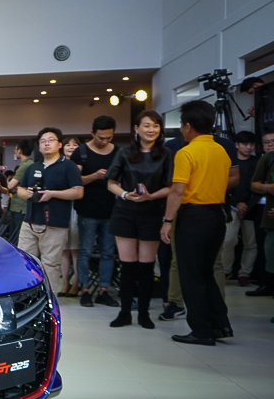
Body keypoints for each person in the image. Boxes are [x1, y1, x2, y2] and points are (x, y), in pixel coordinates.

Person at [160, 100, 231, 346]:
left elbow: (178, 191)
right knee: (206, 272)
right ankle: (220, 324)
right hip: (217, 215)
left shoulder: (187, 152)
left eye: (181, 125)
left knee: (191, 276)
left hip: (194, 217)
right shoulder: (221, 150)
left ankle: (201, 330)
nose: (181, 130)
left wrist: (167, 220)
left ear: (188, 126)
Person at [106, 110, 173, 329]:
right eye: (146, 125)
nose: (151, 130)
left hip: (152, 213)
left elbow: (171, 187)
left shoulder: (166, 154)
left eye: (155, 125)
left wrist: (151, 196)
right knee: (127, 266)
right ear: (136, 128)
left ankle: (144, 313)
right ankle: (125, 312)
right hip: (124, 212)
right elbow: (111, 183)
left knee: (146, 267)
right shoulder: (124, 152)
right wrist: (126, 195)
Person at [17, 127, 84, 291]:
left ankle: (49, 299)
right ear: (39, 146)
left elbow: (78, 192)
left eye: (51, 140)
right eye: (43, 141)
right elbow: (20, 190)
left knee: (51, 264)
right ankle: (26, 296)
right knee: (24, 262)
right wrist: (27, 194)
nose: (46, 144)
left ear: (59, 144)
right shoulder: (33, 167)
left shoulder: (68, 166)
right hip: (30, 222)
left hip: (55, 223)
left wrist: (52, 194)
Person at [70, 115, 119, 308]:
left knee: (108, 252)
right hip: (87, 210)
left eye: (109, 137)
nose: (104, 141)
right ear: (92, 133)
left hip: (111, 210)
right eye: (101, 137)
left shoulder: (118, 152)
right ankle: (85, 290)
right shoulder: (81, 152)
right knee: (85, 251)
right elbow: (75, 180)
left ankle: (103, 290)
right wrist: (95, 176)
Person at [220, 131, 260, 286]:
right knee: (228, 239)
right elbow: (224, 185)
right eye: (245, 144)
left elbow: (258, 185)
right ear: (236, 145)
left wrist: (248, 204)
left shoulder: (257, 161)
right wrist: (236, 203)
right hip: (231, 205)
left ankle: (245, 273)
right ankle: (226, 270)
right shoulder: (229, 161)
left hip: (252, 206)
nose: (248, 147)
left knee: (251, 242)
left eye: (251, 144)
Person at [250, 131, 274, 301]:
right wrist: (267, 188)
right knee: (269, 257)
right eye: (267, 142)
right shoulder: (267, 159)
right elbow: (254, 184)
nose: (271, 144)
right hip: (270, 221)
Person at [59, 135, 81, 296]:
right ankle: (65, 283)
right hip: (61, 207)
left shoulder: (82, 164)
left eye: (75, 145)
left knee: (76, 250)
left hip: (78, 208)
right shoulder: (58, 164)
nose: (71, 147)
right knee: (63, 250)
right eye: (68, 144)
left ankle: (77, 283)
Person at [7, 138, 35, 245]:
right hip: (23, 205)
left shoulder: (24, 165)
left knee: (16, 236)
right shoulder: (32, 163)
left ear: (19, 151)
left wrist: (14, 186)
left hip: (20, 206)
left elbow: (10, 186)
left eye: (15, 149)